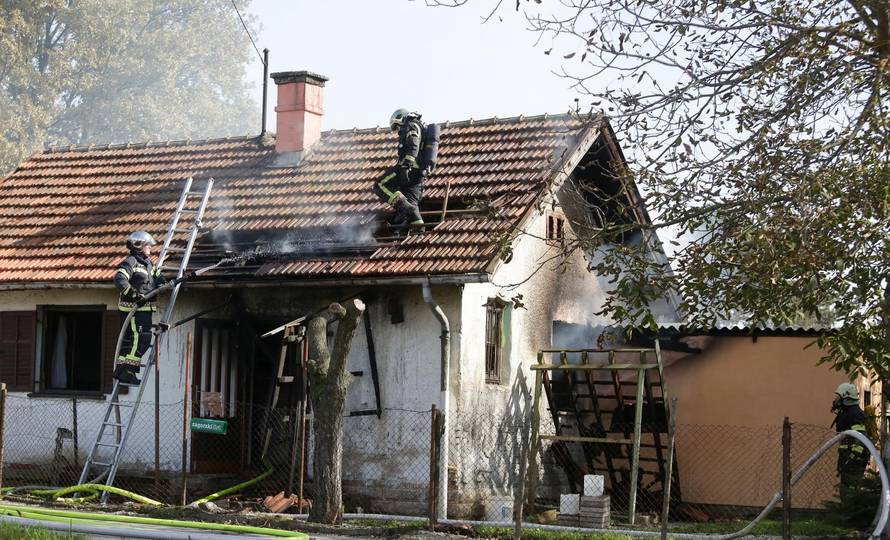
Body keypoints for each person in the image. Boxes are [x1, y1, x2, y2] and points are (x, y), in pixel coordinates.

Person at [112, 231, 166, 385]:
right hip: (134, 310)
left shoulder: (149, 264)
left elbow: (157, 277)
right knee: (142, 340)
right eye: (148, 245)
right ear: (139, 245)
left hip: (143, 310)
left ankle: (121, 370)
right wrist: (134, 295)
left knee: (129, 341)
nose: (150, 248)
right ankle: (128, 371)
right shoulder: (131, 262)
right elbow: (120, 279)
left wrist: (162, 283)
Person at [373, 108, 437, 227]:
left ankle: (405, 208)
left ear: (400, 118)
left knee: (379, 185)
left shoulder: (411, 125)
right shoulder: (418, 126)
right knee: (411, 202)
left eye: (397, 127)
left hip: (409, 168)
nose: (398, 130)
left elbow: (413, 144)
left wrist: (406, 166)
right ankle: (418, 228)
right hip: (419, 174)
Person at [831, 382, 870, 504]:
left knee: (851, 489)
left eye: (838, 397)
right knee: (845, 487)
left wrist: (852, 457)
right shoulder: (846, 412)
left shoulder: (855, 414)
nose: (836, 400)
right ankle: (847, 510)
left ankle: (851, 511)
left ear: (846, 397)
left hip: (854, 458)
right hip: (846, 455)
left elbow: (860, 438)